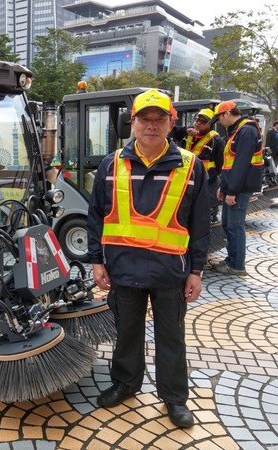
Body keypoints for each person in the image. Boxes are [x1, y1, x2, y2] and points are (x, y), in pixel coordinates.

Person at [87, 89, 210, 429]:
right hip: (122, 269)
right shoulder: (112, 165)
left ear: (172, 122)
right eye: (145, 119)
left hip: (172, 271)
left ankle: (174, 398)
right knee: (127, 332)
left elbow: (200, 223)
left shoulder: (191, 167)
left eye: (159, 119)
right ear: (134, 123)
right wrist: (96, 261)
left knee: (171, 336)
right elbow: (96, 215)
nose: (151, 126)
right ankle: (126, 383)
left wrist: (197, 270)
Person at [211, 101, 264, 276]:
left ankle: (237, 265)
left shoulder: (246, 131)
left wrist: (232, 191)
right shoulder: (237, 130)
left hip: (239, 188)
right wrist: (224, 188)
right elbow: (229, 164)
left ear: (227, 113)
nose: (218, 121)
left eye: (218, 117)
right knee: (227, 223)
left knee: (235, 225)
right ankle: (231, 259)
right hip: (233, 187)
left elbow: (241, 165)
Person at [180, 108, 225, 222]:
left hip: (208, 180)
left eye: (202, 121)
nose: (198, 123)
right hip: (187, 177)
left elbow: (221, 163)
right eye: (197, 120)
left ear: (210, 124)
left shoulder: (216, 141)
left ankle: (212, 220)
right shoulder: (187, 136)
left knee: (208, 205)